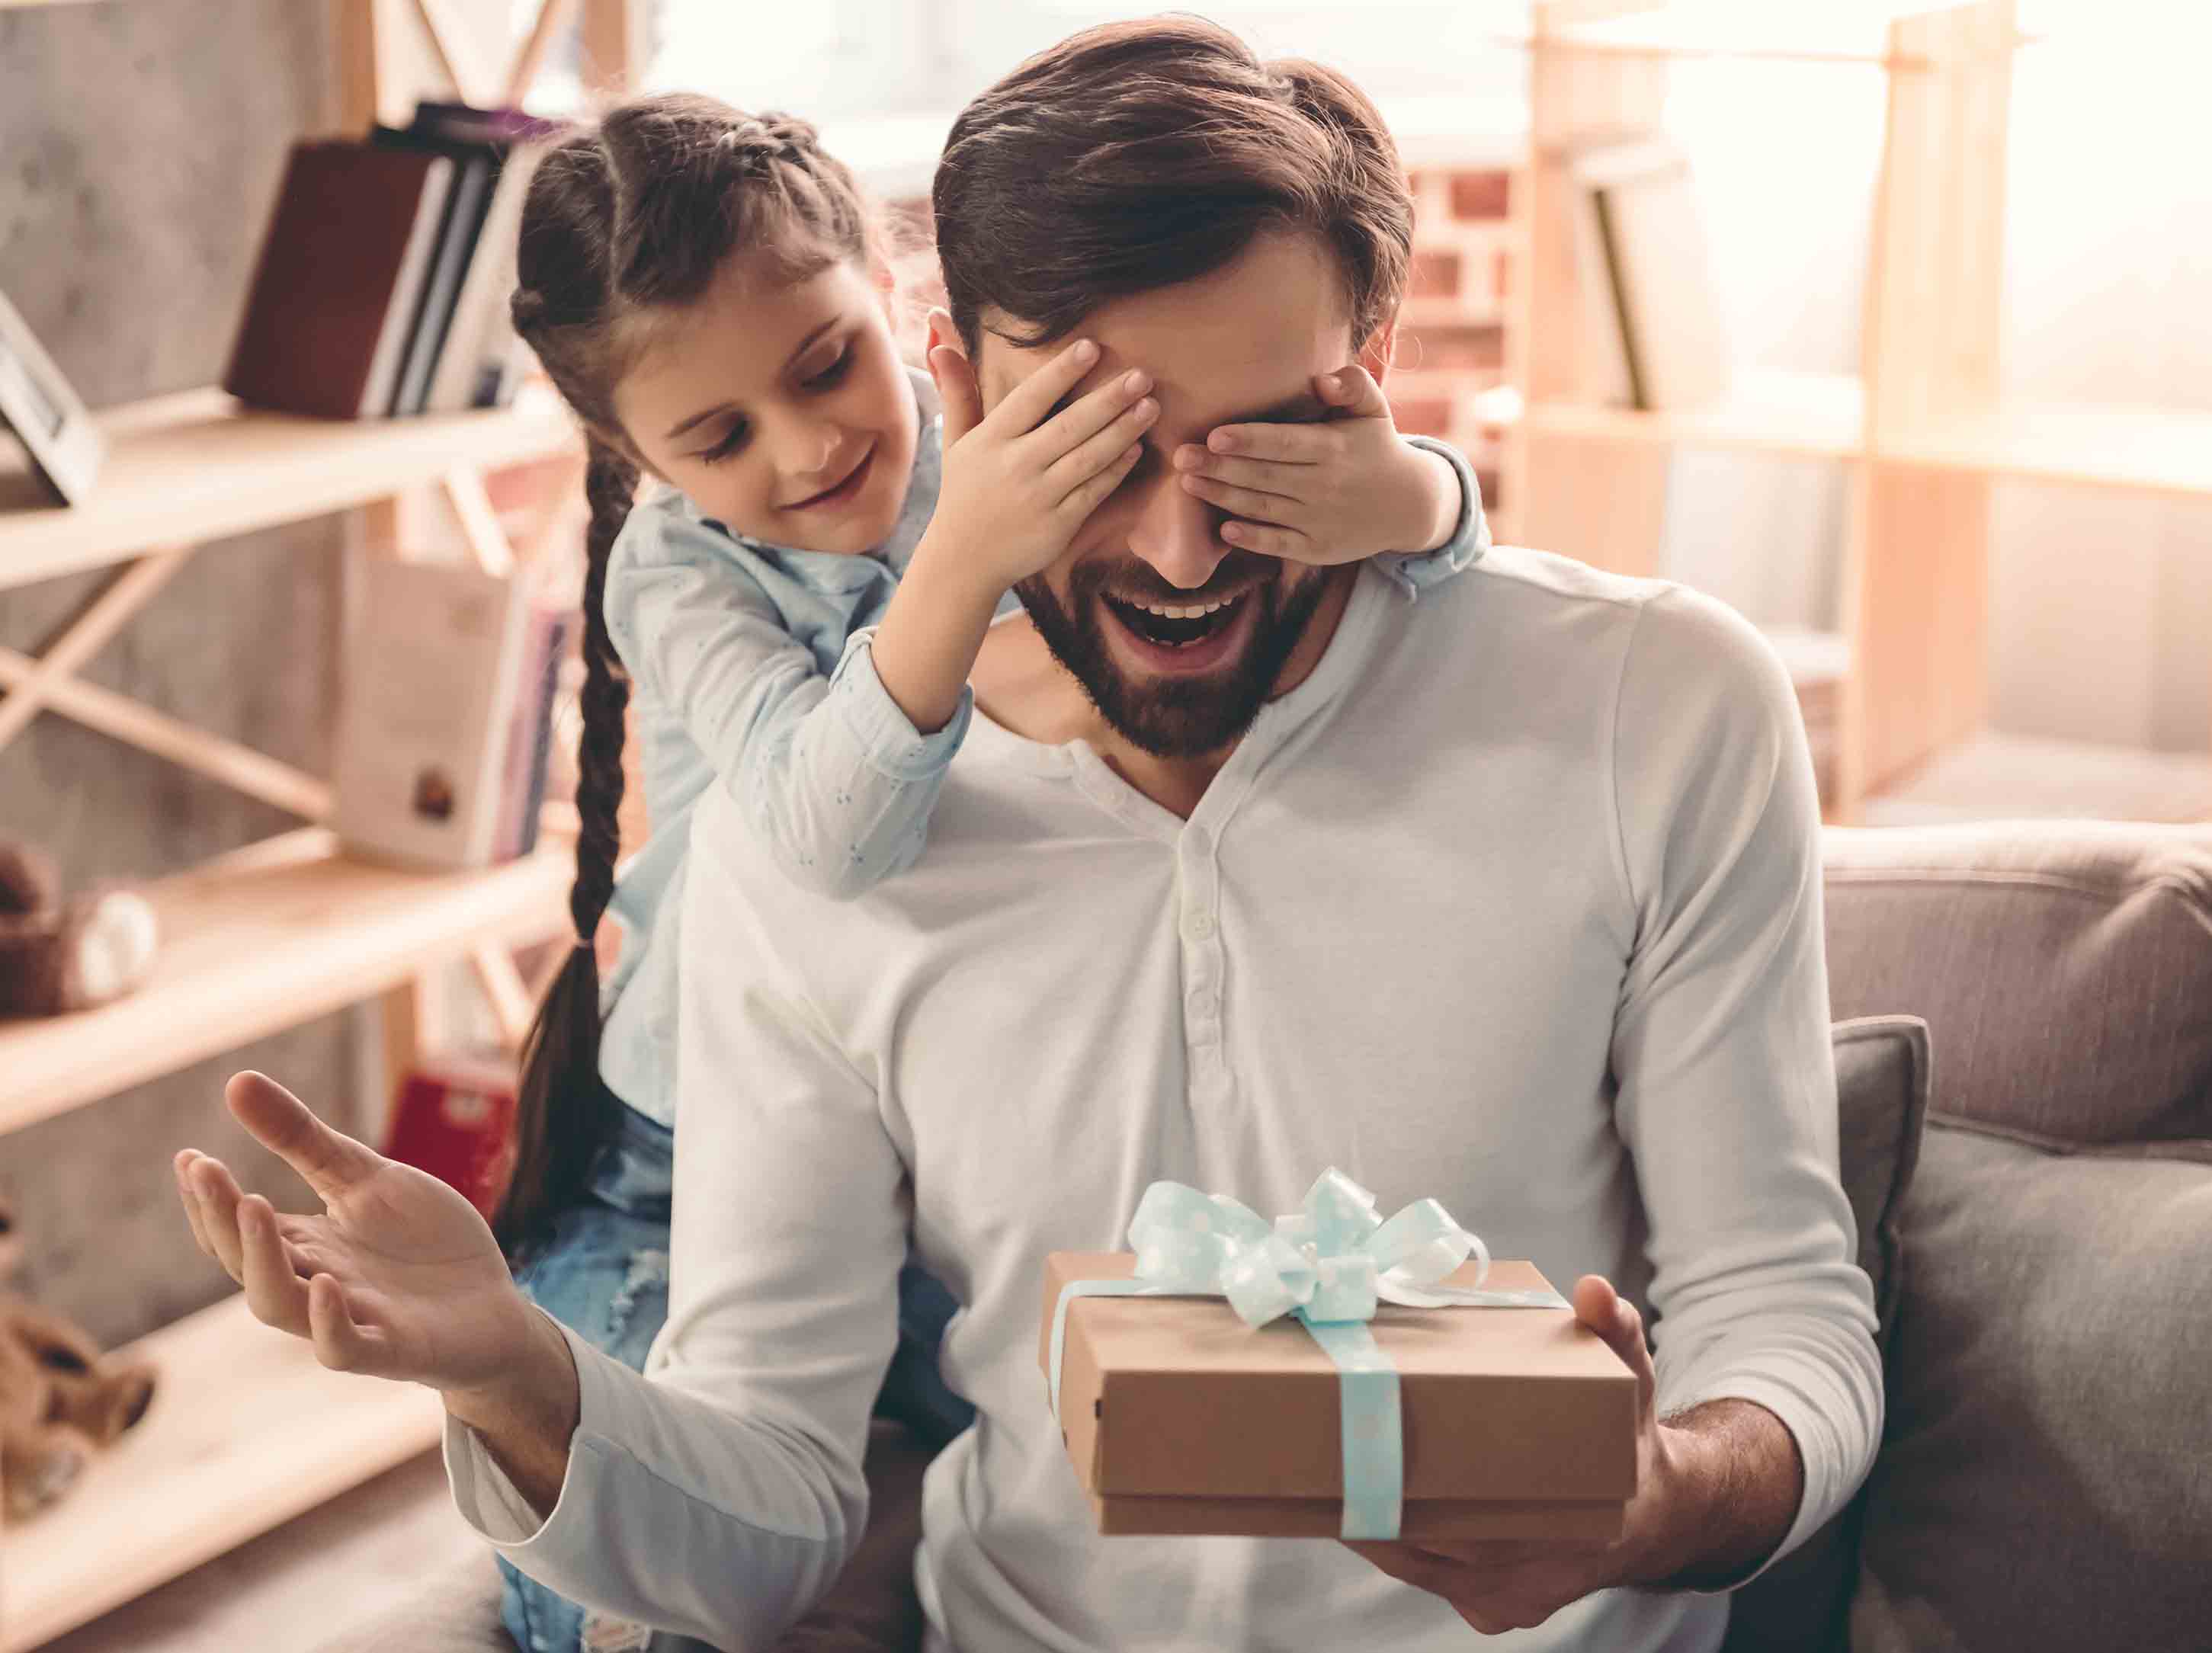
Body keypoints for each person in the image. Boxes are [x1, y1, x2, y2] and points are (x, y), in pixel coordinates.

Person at [174, 20, 1880, 1651]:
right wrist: (515, 1375)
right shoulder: (823, 832)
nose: (1186, 549)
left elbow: (1787, 1314)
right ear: (963, 392)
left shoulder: (1662, 707)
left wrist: (1650, 1497)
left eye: (1257, 440)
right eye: (1098, 445)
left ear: (1367, 371)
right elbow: (769, 1519)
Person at [403, 89, 1495, 1653]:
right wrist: (976, 550)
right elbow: (827, 837)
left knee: (1129, 1429)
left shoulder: (980, 451)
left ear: (899, 307)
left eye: (827, 362)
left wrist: (1417, 493)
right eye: (716, 436)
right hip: (687, 1160)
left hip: (930, 1166)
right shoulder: (680, 572)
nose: (811, 442)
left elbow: (1367, 537)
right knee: (612, 1552)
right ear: (632, 456)